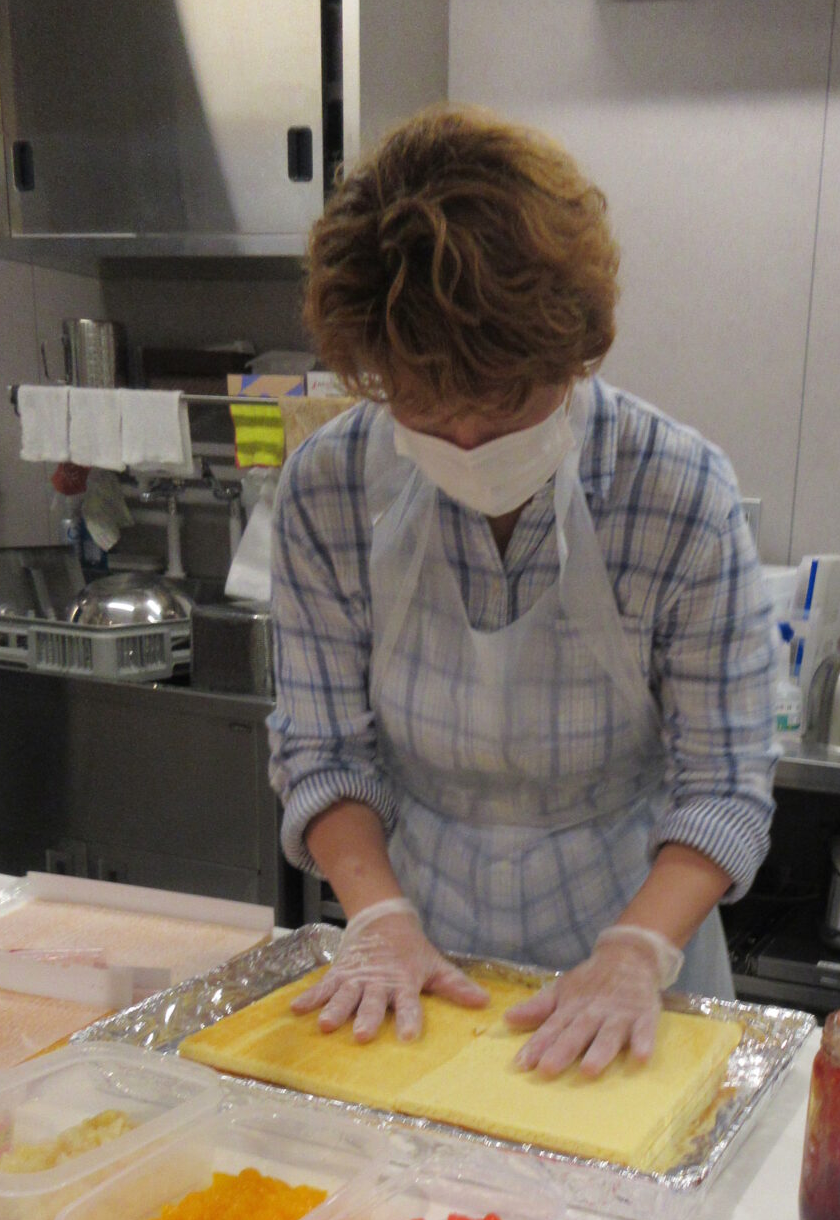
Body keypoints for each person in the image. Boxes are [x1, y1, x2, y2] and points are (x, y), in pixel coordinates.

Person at [267, 105, 776, 1077]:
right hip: (422, 970)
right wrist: (375, 919)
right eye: (425, 408)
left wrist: (637, 952)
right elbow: (321, 749)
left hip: (637, 970)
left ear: (572, 355)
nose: (467, 440)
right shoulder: (327, 490)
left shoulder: (677, 494)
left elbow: (724, 783)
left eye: (503, 407)